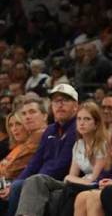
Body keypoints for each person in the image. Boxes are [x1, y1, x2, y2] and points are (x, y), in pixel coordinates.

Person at [14, 100, 108, 216]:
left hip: (93, 185)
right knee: (36, 180)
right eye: (79, 119)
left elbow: (93, 179)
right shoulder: (78, 144)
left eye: (87, 119)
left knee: (56, 195)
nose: (82, 123)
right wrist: (71, 178)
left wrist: (72, 178)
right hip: (75, 183)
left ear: (96, 124)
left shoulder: (102, 145)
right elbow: (70, 175)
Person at [9, 84, 80, 215]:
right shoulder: (50, 130)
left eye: (65, 100)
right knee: (16, 185)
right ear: (51, 106)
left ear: (75, 106)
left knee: (25, 185)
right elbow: (34, 163)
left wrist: (31, 180)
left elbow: (63, 164)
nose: (60, 105)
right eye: (56, 101)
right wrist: (16, 182)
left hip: (63, 180)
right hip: (42, 179)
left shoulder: (78, 128)